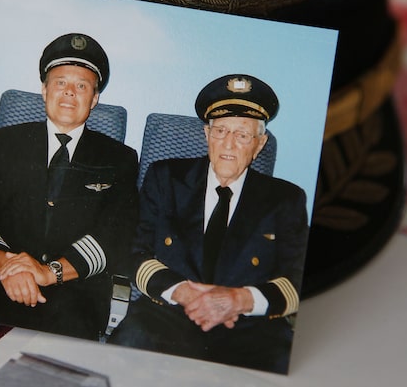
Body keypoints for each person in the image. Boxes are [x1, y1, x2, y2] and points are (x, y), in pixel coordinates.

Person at [110, 74, 308, 373]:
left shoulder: (286, 199)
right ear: (206, 135)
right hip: (167, 315)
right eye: (221, 131)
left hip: (248, 328)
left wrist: (240, 299)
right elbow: (135, 252)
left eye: (242, 135)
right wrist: (184, 293)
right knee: (121, 353)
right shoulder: (165, 178)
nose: (228, 144)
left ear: (259, 144)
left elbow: (299, 278)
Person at [0, 33, 139, 340]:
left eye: (81, 86)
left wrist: (48, 272)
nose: (69, 93)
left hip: (73, 291)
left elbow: (115, 237)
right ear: (44, 90)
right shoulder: (5, 142)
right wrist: (7, 266)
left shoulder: (120, 158)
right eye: (60, 82)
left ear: (94, 99)